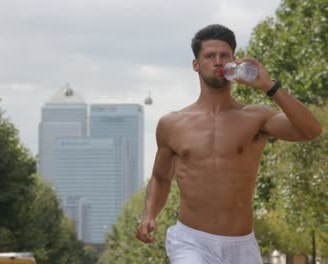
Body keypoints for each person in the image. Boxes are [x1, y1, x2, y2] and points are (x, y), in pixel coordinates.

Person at [135, 24, 322, 264]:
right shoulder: (173, 124)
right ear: (196, 65)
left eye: (224, 56)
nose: (218, 61)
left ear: (234, 62)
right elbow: (160, 178)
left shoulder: (256, 117)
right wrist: (149, 214)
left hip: (241, 246)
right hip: (191, 242)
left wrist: (269, 86)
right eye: (210, 56)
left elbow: (311, 130)